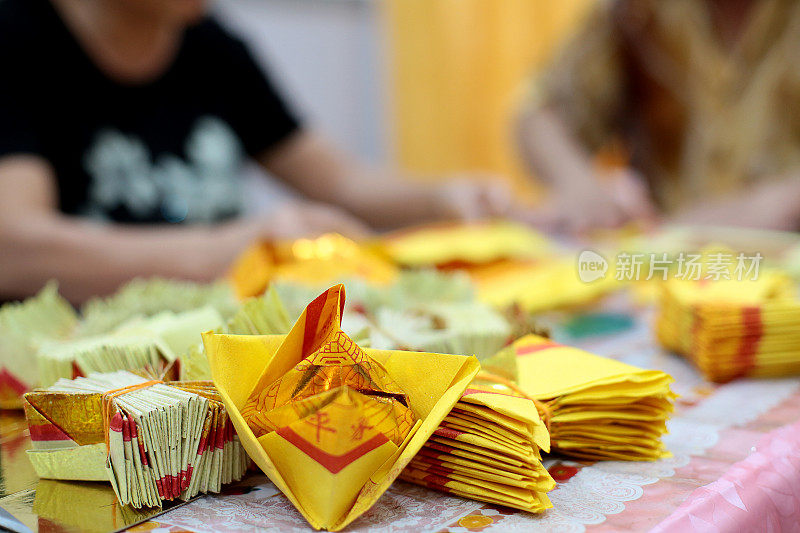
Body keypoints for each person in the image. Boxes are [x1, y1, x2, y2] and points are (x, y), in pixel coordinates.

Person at [0, 0, 513, 301]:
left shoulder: (211, 44)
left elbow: (339, 181)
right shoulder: (18, 35)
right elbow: (14, 247)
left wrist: (444, 195)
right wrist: (223, 250)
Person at [517, 0, 800, 234]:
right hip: (659, 262)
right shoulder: (634, 10)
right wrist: (580, 185)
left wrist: (784, 201)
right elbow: (541, 112)